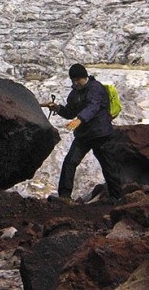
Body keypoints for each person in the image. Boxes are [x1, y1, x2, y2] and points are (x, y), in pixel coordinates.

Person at [41, 63, 124, 203]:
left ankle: (117, 197)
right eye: (73, 80)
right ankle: (64, 197)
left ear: (85, 77)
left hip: (100, 134)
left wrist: (80, 120)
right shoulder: (75, 93)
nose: (75, 83)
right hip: (84, 135)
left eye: (77, 79)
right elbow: (69, 112)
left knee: (107, 164)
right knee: (70, 162)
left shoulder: (96, 88)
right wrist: (57, 108)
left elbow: (93, 106)